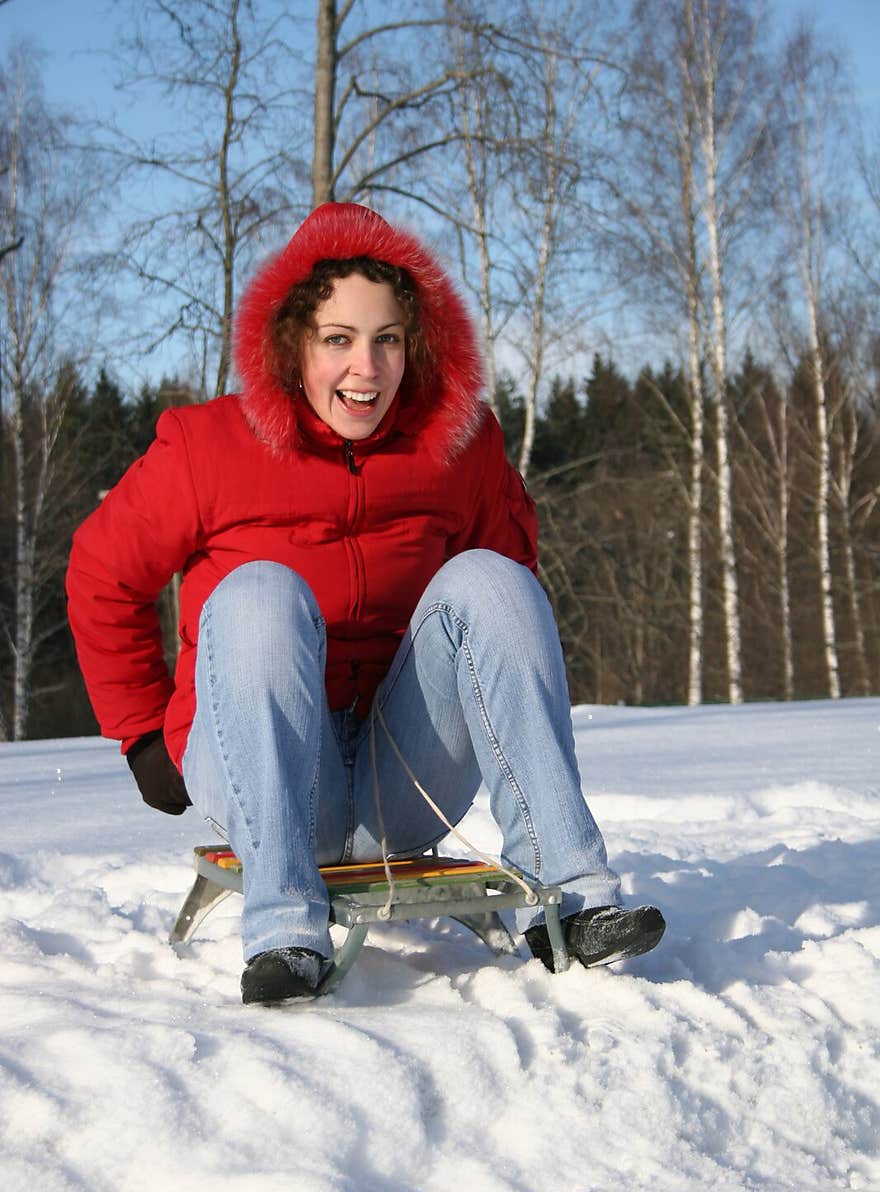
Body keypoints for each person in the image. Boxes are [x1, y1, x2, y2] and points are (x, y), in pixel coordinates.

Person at [66, 202, 665, 1005]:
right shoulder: (206, 445)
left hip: (400, 783)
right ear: (293, 345)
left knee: (489, 578)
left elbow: (507, 604)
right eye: (338, 340)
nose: (367, 368)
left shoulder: (458, 445)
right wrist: (142, 732)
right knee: (258, 592)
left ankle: (573, 899)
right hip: (262, 771)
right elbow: (102, 573)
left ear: (414, 345)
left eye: (387, 340)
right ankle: (283, 933)